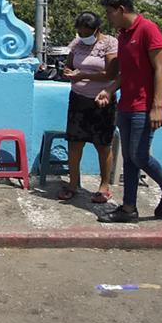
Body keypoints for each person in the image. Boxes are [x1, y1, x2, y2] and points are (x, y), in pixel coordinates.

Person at [94, 0, 162, 223]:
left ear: (121, 10)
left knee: (139, 155)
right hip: (125, 105)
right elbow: (126, 72)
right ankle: (128, 208)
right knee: (131, 159)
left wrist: (157, 106)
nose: (109, 18)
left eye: (110, 12)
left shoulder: (148, 30)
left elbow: (160, 69)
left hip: (144, 106)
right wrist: (110, 90)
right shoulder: (123, 35)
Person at [58, 12, 118, 203]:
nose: (83, 37)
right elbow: (69, 65)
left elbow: (110, 74)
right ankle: (73, 183)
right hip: (78, 99)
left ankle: (104, 185)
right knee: (75, 143)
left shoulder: (110, 44)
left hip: (101, 101)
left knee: (102, 144)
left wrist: (82, 75)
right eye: (80, 33)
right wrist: (68, 72)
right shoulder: (77, 44)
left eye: (86, 33)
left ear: (97, 29)